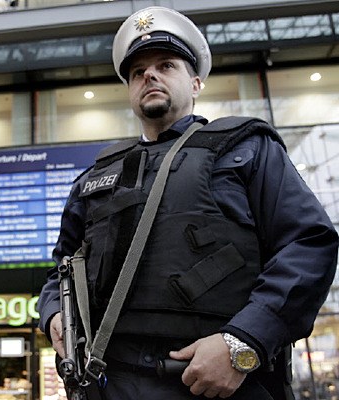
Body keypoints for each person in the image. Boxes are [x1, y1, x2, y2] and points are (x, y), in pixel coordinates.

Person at [37, 6, 339, 400]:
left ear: (196, 83)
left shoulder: (246, 149)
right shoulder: (95, 179)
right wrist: (54, 315)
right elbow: (60, 270)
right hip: (110, 382)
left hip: (219, 384)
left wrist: (243, 342)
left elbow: (308, 243)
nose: (149, 75)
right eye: (137, 72)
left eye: (166, 65)